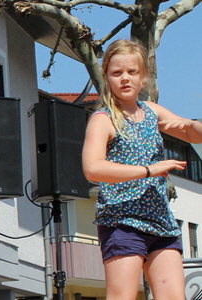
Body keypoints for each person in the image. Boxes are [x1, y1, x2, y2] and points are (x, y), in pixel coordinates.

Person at [82, 39, 202, 300]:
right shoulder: (103, 120)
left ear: (144, 77)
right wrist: (148, 170)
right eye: (117, 73)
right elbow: (92, 169)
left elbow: (196, 137)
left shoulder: (152, 111)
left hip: (161, 222)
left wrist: (188, 123)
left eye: (132, 72)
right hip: (122, 221)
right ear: (106, 77)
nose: (125, 78)